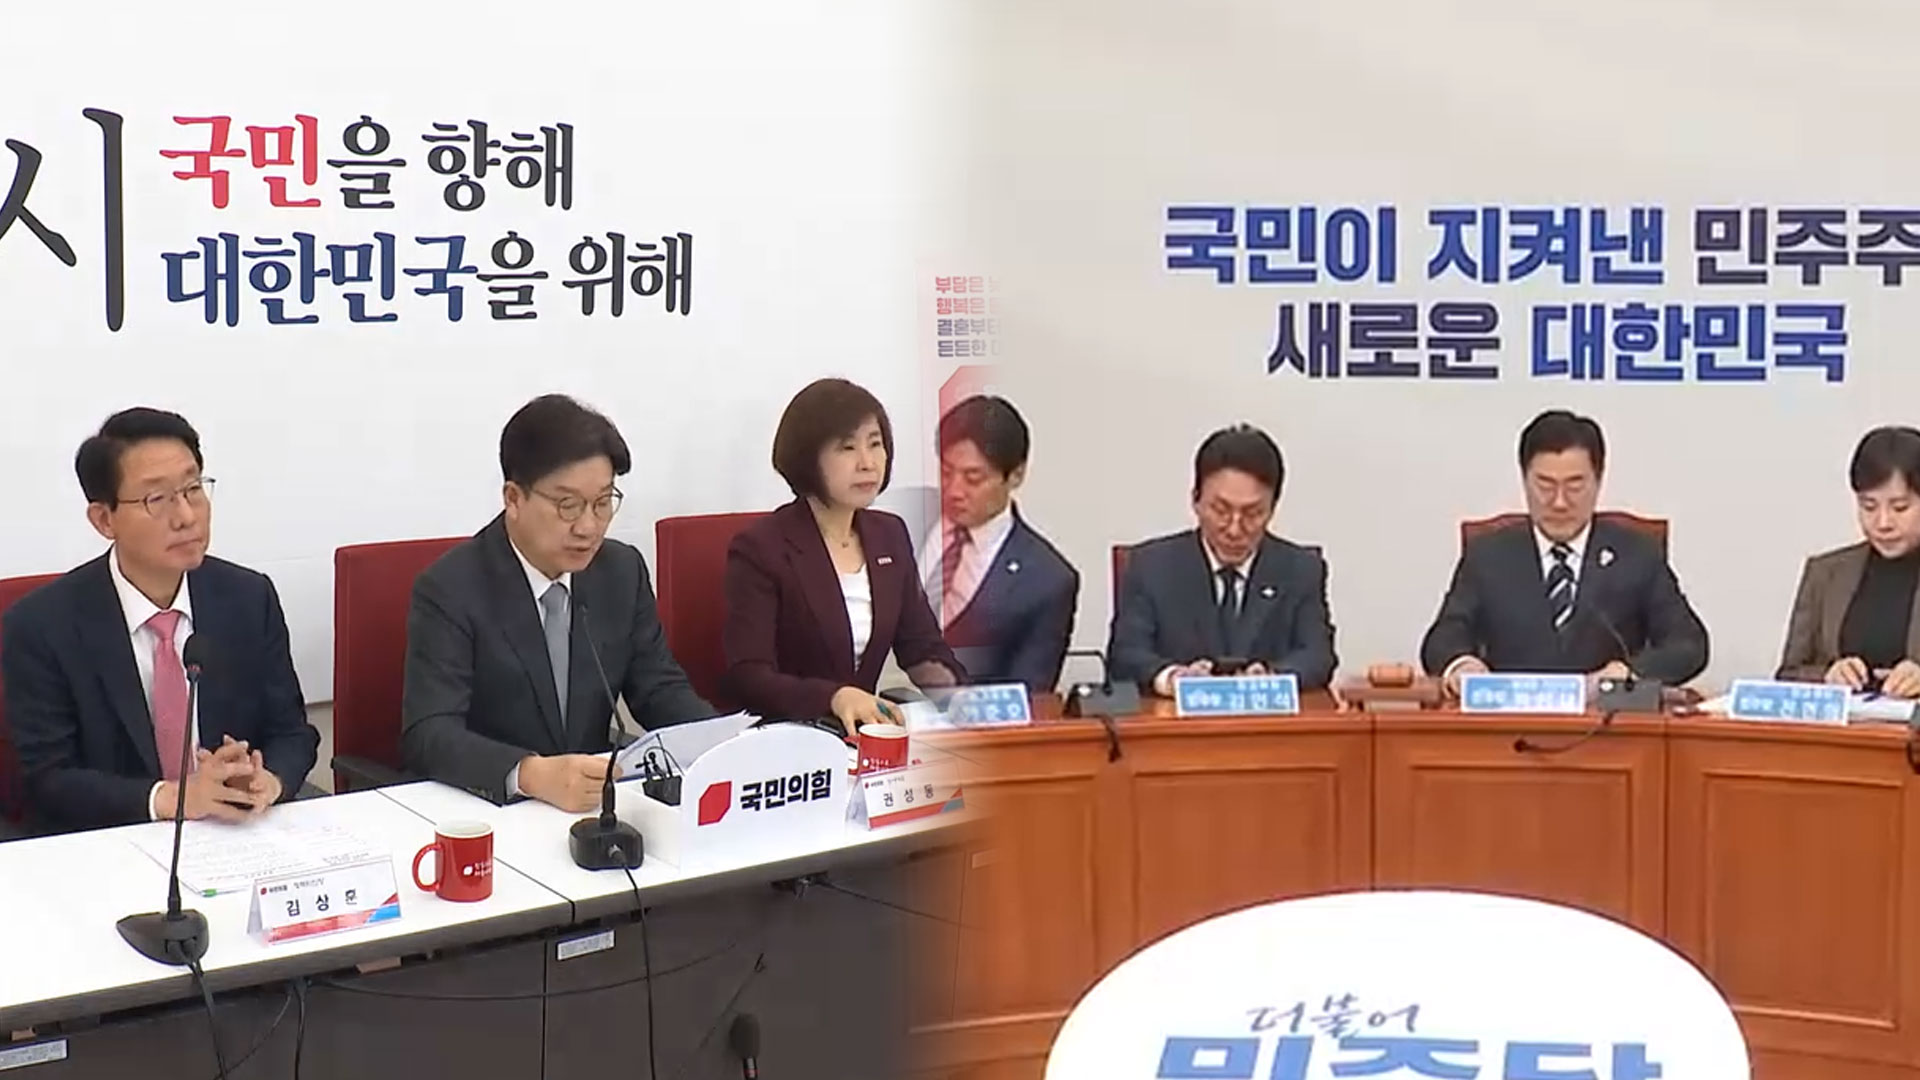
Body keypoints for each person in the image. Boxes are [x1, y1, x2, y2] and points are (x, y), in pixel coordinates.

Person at [2, 408, 318, 834]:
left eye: (193, 489)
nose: (186, 516)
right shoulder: (41, 625)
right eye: (157, 498)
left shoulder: (248, 597)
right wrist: (173, 797)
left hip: (232, 837)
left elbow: (292, 733)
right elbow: (49, 779)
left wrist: (268, 780)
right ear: (104, 519)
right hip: (108, 841)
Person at [402, 394, 715, 811]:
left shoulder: (621, 572)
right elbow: (429, 733)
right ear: (514, 499)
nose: (588, 526)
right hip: (490, 811)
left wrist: (722, 746)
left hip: (593, 810)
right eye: (568, 506)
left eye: (602, 503)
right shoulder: (451, 588)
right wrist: (529, 773)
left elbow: (659, 689)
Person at [723, 377, 965, 733]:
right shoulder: (762, 548)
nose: (867, 463)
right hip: (789, 737)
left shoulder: (889, 535)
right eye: (847, 448)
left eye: (875, 444)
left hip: (865, 737)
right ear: (808, 459)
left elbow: (921, 647)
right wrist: (833, 697)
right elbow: (749, 677)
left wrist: (964, 699)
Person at [1420, 408, 1709, 695]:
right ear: (1525, 480)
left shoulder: (1636, 554)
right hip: (1512, 716)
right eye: (1545, 485)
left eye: (1575, 485)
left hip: (1608, 717)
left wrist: (1627, 673)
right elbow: (1442, 639)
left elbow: (1689, 645)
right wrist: (1462, 665)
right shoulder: (1489, 556)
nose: (1559, 502)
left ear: (1598, 481)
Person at [1108, 424, 1337, 695]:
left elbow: (1318, 656)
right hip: (1177, 718)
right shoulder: (1151, 567)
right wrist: (1173, 678)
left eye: (1253, 513)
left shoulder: (1301, 570)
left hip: (1267, 719)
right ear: (1195, 500)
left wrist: (1272, 678)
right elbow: (1125, 655)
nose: (1234, 529)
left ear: (1273, 508)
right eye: (1221, 510)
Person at [920, 395, 1078, 692]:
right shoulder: (896, 516)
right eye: (946, 472)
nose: (954, 491)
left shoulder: (1047, 580)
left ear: (1015, 475)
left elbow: (1027, 695)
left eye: (973, 478)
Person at [1777, 426, 1920, 696]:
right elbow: (1788, 673)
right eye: (1868, 506)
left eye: (1900, 507)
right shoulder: (1826, 573)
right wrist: (1827, 675)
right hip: (1848, 721)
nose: (1883, 522)